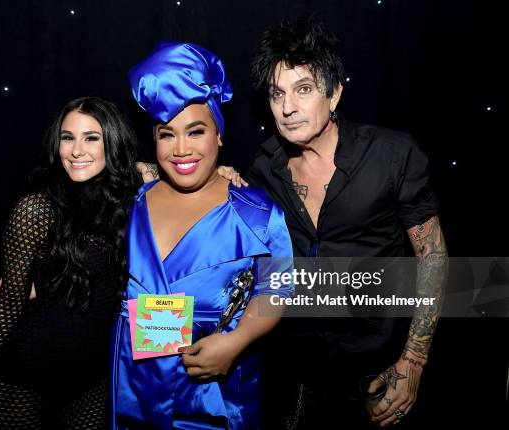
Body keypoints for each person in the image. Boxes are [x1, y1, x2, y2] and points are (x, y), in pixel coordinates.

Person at [247, 19, 449, 428]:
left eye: (303, 89)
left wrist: (412, 362)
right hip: (299, 376)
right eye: (277, 94)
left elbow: (433, 257)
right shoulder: (264, 169)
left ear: (334, 92)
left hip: (383, 371)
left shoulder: (391, 155)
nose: (287, 107)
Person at [111, 41, 294, 429]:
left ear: (219, 135)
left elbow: (276, 290)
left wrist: (237, 341)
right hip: (134, 392)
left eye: (196, 131)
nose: (181, 149)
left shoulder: (258, 214)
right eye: (166, 134)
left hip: (216, 399)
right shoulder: (134, 201)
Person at [0, 97, 141, 429]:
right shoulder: (36, 210)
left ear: (112, 142)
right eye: (67, 137)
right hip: (23, 380)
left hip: (92, 382)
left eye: (91, 137)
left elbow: (176, 168)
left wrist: (222, 171)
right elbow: (8, 306)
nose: (76, 149)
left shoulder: (130, 204)